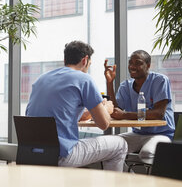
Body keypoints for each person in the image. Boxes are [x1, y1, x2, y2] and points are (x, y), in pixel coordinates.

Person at [26, 41, 127, 171]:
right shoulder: (84, 79)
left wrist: (91, 111)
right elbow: (104, 124)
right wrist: (106, 108)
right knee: (120, 144)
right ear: (85, 60)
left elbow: (62, 113)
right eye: (89, 64)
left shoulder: (41, 79)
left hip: (32, 154)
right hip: (61, 156)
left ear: (65, 59)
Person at [104, 50, 175, 158]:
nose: (132, 66)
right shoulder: (126, 86)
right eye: (130, 63)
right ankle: (129, 176)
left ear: (148, 65)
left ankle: (148, 176)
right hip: (137, 134)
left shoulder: (160, 80)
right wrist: (109, 83)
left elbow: (158, 114)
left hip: (162, 134)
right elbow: (115, 110)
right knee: (109, 150)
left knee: (147, 153)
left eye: (138, 63)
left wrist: (124, 115)